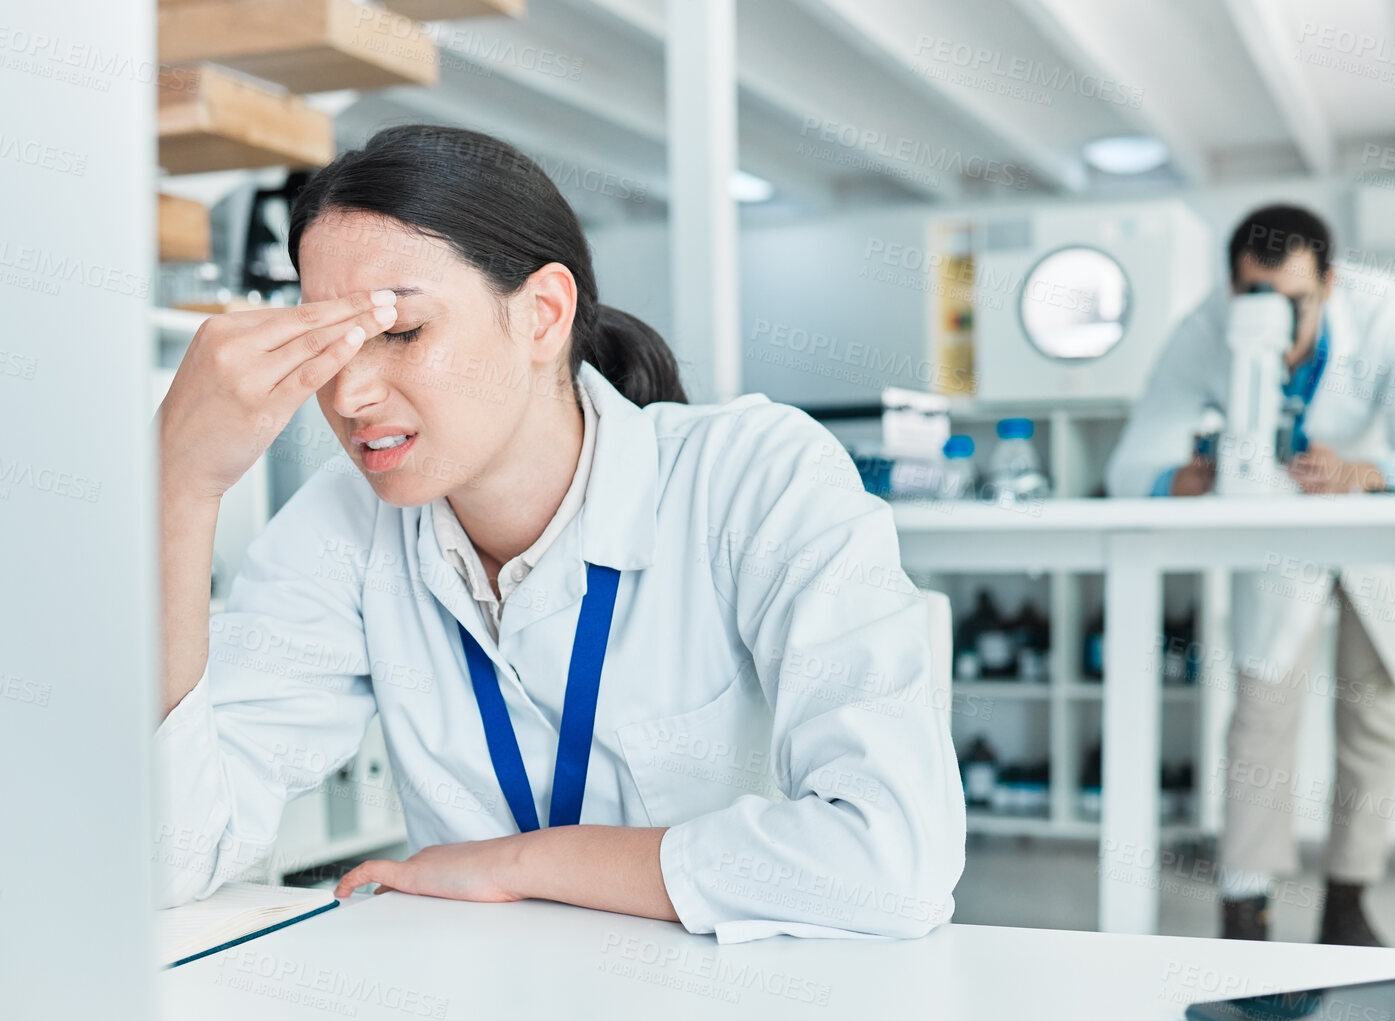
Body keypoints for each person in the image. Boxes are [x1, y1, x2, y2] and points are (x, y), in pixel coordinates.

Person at [153, 124, 966, 943]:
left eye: (400, 331)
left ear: (542, 315)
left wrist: (514, 863)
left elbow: (893, 862)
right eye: (327, 342)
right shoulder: (345, 521)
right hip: (481, 1020)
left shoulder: (753, 478)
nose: (350, 392)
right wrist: (182, 488)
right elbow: (170, 855)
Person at [1106, 205, 1395, 947]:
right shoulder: (1206, 330)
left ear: (1328, 282)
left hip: (1374, 521)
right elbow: (1129, 468)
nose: (1270, 316)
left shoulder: (1387, 312)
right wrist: (1184, 477)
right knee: (1261, 717)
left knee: (1373, 716)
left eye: (1292, 299)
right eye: (1253, 296)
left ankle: (1346, 902)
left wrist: (1362, 471)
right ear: (1232, 286)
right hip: (1276, 527)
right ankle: (1244, 907)